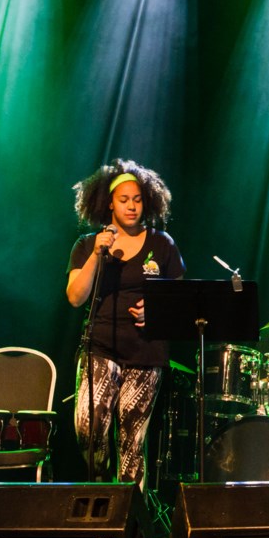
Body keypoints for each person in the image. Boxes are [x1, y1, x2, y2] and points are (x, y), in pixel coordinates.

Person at [66, 158, 185, 489]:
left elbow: (182, 300)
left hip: (146, 352)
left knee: (132, 443)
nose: (132, 206)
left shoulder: (162, 244)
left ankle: (130, 522)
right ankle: (102, 488)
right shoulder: (88, 244)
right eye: (124, 200)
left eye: (137, 199)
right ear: (109, 204)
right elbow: (76, 297)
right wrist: (96, 255)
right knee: (87, 430)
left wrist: (157, 309)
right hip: (100, 347)